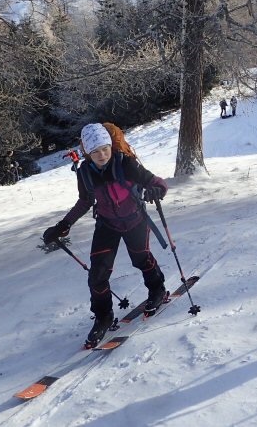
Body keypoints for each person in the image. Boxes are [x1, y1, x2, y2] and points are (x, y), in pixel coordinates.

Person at [42, 123, 170, 347]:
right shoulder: (85, 172)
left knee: (140, 258)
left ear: (111, 146)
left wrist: (157, 190)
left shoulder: (126, 164)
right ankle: (103, 316)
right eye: (95, 151)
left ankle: (157, 289)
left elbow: (156, 182)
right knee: (97, 274)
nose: (101, 155)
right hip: (107, 224)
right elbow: (84, 201)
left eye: (104, 149)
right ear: (87, 154)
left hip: (135, 219)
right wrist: (64, 224)